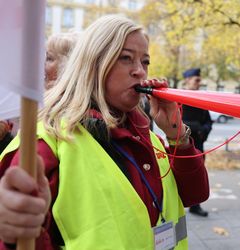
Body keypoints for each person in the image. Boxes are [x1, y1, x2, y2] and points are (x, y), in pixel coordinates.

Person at [0, 15, 209, 250]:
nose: (140, 72)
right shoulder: (46, 142)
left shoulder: (147, 134)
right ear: (92, 64)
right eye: (126, 58)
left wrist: (177, 135)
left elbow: (195, 195)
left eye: (145, 61)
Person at [181, 67, 213, 217]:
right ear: (187, 80)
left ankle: (195, 205)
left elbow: (208, 121)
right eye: (197, 80)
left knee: (197, 174)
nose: (199, 83)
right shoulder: (179, 98)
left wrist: (203, 130)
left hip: (199, 144)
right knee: (181, 173)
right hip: (181, 145)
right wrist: (196, 127)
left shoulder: (201, 99)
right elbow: (176, 121)